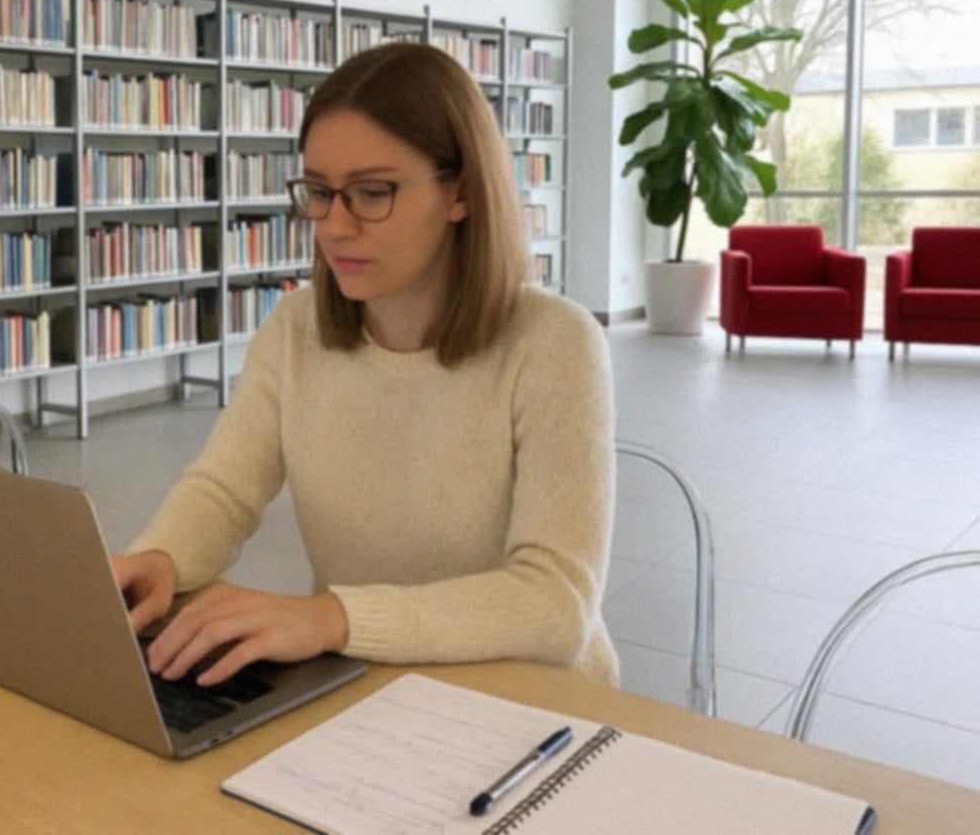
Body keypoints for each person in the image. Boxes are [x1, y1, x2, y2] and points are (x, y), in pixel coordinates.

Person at [112, 40, 616, 689]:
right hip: (366, 688)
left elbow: (556, 605)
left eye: (372, 193)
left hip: (532, 704)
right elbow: (223, 491)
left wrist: (333, 618)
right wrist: (163, 559)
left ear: (460, 191)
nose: (335, 226)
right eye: (319, 192)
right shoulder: (295, 330)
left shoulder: (556, 344)